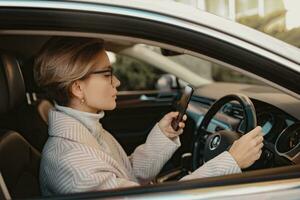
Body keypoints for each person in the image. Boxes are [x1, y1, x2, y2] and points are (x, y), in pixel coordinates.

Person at [35, 37, 264, 196]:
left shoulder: (86, 130)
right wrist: (231, 162)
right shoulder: (72, 161)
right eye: (107, 74)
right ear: (77, 88)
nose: (117, 82)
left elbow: (127, 177)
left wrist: (162, 136)